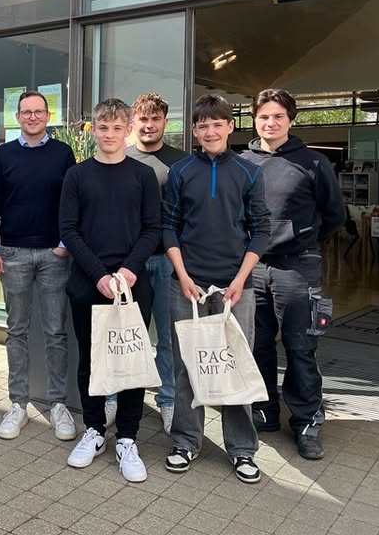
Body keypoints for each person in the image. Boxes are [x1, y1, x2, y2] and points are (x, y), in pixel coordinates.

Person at [161, 94, 270, 484]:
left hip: (235, 288)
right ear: (194, 130)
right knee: (186, 366)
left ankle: (242, 449)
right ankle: (186, 442)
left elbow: (261, 230)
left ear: (230, 126)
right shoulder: (180, 171)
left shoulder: (248, 171)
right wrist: (183, 275)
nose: (210, 131)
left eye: (217, 124)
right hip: (186, 286)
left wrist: (239, 280)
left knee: (235, 366)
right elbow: (168, 226)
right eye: (202, 125)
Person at [59, 98, 161, 483]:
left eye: (118, 128)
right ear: (95, 129)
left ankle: (128, 438)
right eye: (103, 127)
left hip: (132, 283)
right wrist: (100, 275)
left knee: (131, 360)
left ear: (128, 129)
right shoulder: (77, 175)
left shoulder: (143, 175)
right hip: (88, 281)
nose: (110, 134)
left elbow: (153, 229)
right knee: (91, 359)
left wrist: (128, 270)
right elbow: (69, 230)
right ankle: (94, 430)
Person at [241, 88, 345, 460]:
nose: (270, 123)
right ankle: (264, 410)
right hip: (253, 267)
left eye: (278, 116)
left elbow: (335, 216)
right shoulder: (242, 163)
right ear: (255, 119)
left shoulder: (314, 163)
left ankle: (306, 422)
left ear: (291, 120)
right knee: (257, 343)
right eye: (264, 116)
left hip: (298, 267)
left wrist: (302, 240)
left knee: (301, 346)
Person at [0, 90, 78, 441]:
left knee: (55, 332)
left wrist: (65, 243)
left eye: (39, 112)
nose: (33, 117)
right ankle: (17, 404)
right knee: (16, 331)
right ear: (18, 117)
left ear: (48, 115)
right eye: (26, 112)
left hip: (54, 255)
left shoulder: (63, 153)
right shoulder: (4, 154)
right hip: (13, 253)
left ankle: (58, 404)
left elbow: (72, 202)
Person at [123, 93, 186, 434]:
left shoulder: (181, 162)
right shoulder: (121, 158)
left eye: (155, 119)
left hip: (166, 260)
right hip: (127, 263)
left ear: (165, 122)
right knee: (126, 334)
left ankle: (168, 398)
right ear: (133, 123)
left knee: (167, 336)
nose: (149, 126)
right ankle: (117, 395)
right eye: (143, 120)